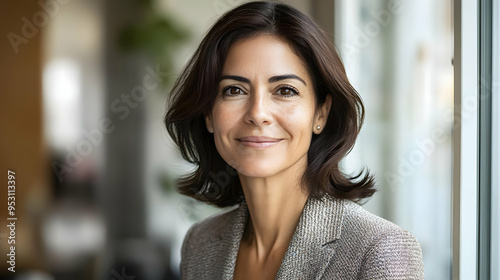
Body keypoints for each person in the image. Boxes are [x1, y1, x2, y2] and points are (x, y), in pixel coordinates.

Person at [164, 1, 424, 279]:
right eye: (234, 90)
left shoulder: (377, 250)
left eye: (285, 90)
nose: (258, 113)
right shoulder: (200, 243)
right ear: (208, 114)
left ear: (320, 113)